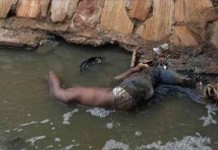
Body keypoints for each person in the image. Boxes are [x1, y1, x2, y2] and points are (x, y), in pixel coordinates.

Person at [48, 63, 205, 111]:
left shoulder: (84, 99)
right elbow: (56, 88)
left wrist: (133, 70)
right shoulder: (70, 93)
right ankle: (195, 84)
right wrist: (49, 73)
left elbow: (115, 79)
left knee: (166, 89)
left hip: (131, 104)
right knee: (155, 71)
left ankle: (201, 97)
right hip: (127, 92)